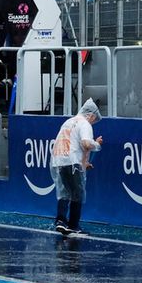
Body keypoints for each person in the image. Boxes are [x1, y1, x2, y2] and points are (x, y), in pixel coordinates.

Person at [50, 98, 103, 236]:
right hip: (72, 161)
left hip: (58, 160)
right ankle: (73, 225)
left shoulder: (68, 122)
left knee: (64, 192)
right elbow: (86, 144)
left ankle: (60, 221)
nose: (93, 122)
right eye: (94, 119)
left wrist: (85, 162)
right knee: (77, 194)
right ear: (90, 115)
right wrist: (96, 144)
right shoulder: (85, 124)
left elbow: (76, 143)